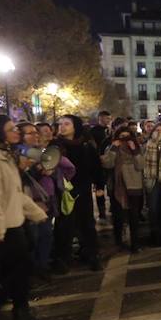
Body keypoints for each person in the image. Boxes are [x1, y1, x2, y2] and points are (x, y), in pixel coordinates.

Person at [0, 112, 50, 320]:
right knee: (20, 269)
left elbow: (13, 192)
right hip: (1, 227)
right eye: (12, 129)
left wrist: (34, 212)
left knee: (17, 268)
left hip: (11, 224)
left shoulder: (3, 155)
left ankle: (7, 301)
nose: (17, 132)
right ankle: (20, 313)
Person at [17, 122, 76, 279]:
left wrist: (52, 170)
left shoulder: (39, 151)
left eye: (36, 132)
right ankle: (30, 271)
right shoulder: (17, 155)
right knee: (33, 239)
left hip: (47, 200)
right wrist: (33, 170)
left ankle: (41, 268)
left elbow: (66, 166)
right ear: (20, 136)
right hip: (30, 202)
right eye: (30, 133)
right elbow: (18, 181)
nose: (36, 135)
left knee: (46, 236)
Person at [53, 115, 103, 270]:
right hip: (63, 191)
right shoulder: (55, 146)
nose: (62, 127)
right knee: (64, 225)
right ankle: (62, 258)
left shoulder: (86, 146)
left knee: (86, 223)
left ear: (76, 126)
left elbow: (96, 167)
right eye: (60, 124)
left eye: (67, 124)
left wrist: (100, 186)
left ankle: (91, 254)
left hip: (83, 189)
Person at [101, 126, 145, 253]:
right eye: (122, 137)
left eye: (127, 136)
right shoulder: (111, 148)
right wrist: (114, 147)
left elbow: (141, 165)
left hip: (134, 185)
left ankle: (135, 243)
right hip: (117, 185)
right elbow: (107, 163)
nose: (124, 140)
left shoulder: (137, 147)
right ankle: (119, 241)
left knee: (134, 216)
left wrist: (134, 150)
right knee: (118, 216)